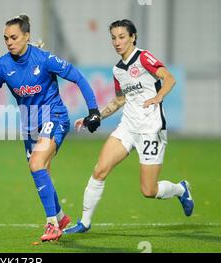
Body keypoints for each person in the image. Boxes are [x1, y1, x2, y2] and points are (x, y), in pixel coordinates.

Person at [0, 14, 101, 242]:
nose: (9, 42)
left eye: (14, 37)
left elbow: (78, 77)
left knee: (36, 163)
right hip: (30, 125)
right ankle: (60, 217)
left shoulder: (44, 59)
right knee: (40, 170)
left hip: (55, 117)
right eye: (6, 38)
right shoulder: (2, 65)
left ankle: (52, 225)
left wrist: (93, 110)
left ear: (27, 36)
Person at [64, 19, 194, 234]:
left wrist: (158, 97)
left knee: (149, 190)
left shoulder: (143, 57)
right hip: (127, 127)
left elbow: (169, 78)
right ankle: (84, 223)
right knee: (100, 169)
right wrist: (94, 117)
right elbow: (119, 100)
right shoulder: (118, 70)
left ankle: (181, 189)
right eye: (113, 38)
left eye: (122, 37)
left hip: (151, 129)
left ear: (132, 37)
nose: (117, 42)